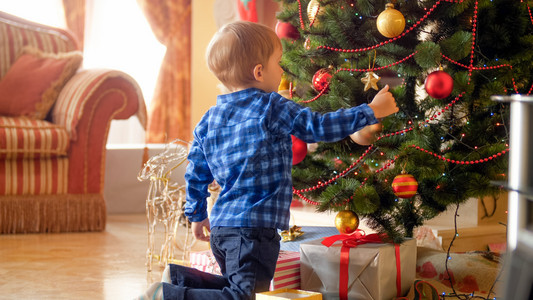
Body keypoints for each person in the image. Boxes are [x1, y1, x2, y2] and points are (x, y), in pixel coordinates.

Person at [155, 20, 398, 300]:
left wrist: (197, 214)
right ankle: (169, 296)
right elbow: (317, 127)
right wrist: (370, 111)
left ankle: (177, 278)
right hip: (254, 231)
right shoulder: (271, 106)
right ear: (259, 72)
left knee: (234, 287)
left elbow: (196, 172)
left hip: (223, 226)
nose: (282, 70)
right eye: (278, 63)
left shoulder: (209, 119)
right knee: (243, 296)